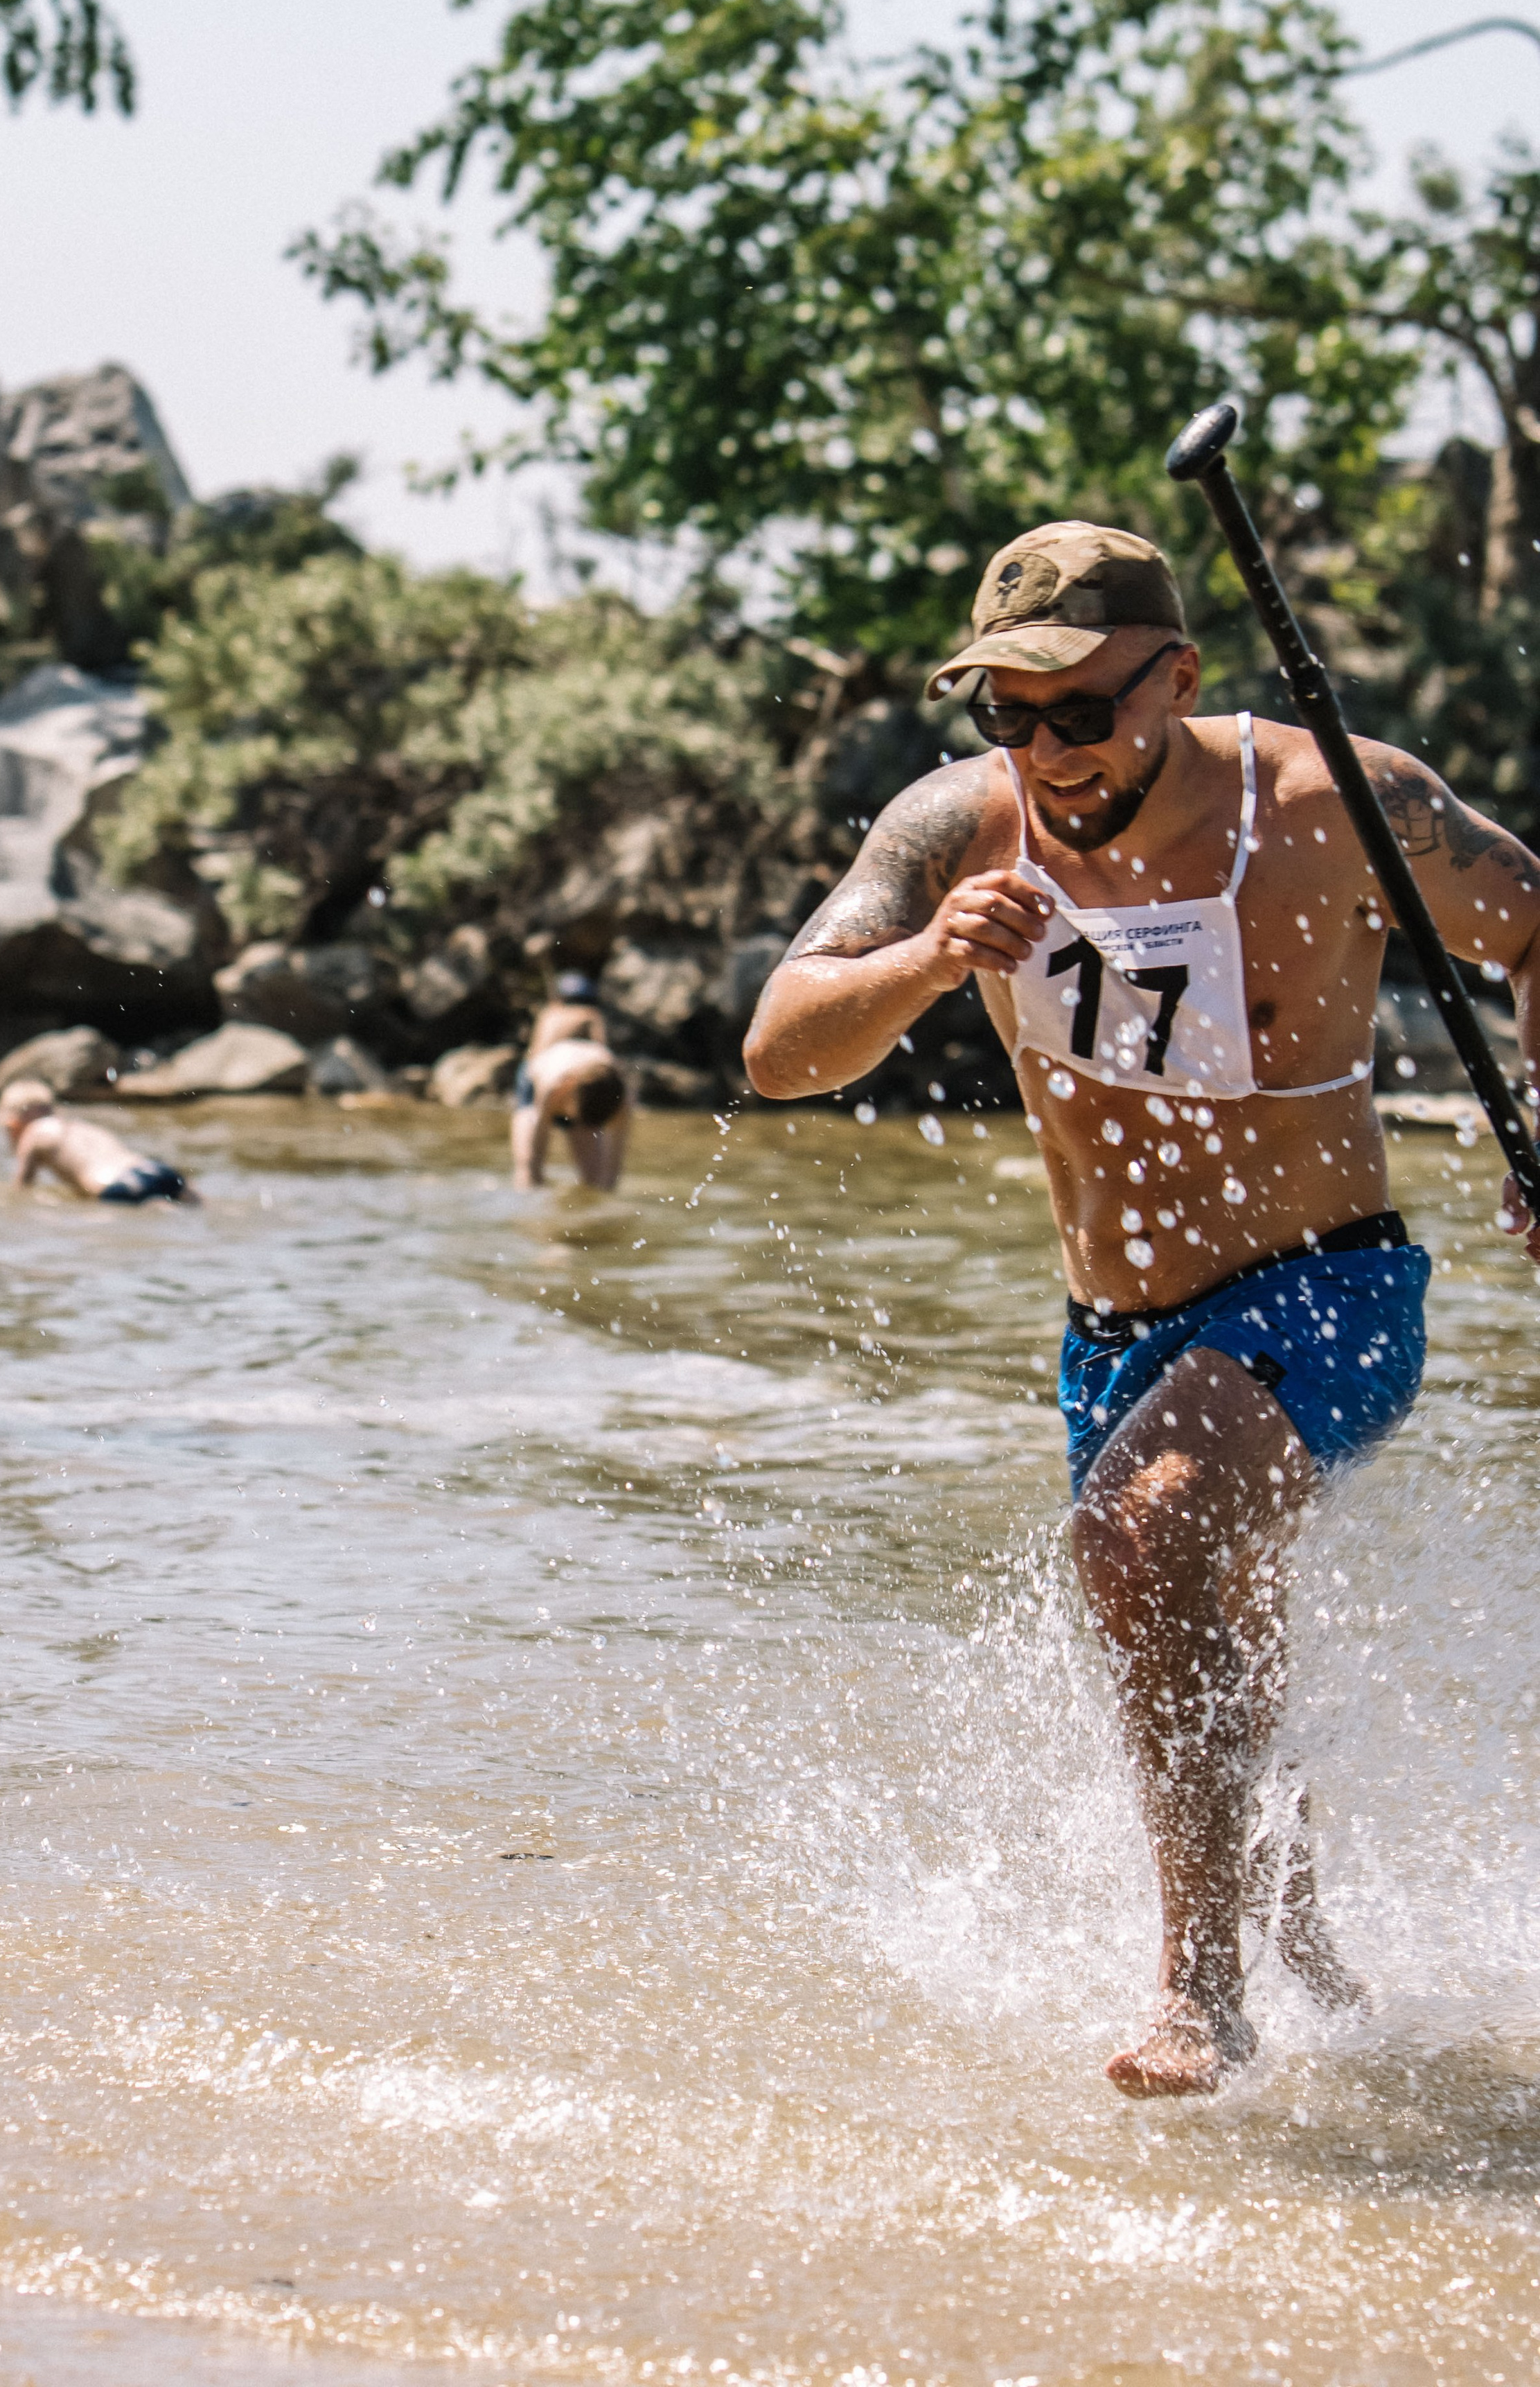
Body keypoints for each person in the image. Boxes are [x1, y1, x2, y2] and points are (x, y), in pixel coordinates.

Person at [744, 520, 1540, 2099]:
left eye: (1080, 710)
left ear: (1171, 679)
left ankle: (1199, 1992)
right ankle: (1324, 1981)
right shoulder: (954, 830)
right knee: (1206, 1638)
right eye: (1007, 717)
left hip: (1330, 1287)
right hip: (1106, 1337)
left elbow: (1532, 917)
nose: (1045, 751)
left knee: (1138, 1534)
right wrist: (919, 959)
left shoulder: (1332, 802)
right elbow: (776, 1049)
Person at [511, 973, 633, 1190]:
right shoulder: (591, 1015)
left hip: (582, 1081)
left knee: (594, 1180)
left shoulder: (550, 1012)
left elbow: (613, 1166)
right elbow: (537, 1151)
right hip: (537, 1079)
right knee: (527, 1166)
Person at [0, 1081, 197, 1204]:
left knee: (156, 1208)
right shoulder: (79, 1126)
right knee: (187, 1203)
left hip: (117, 1187)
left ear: (13, 1125)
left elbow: (21, 1191)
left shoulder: (32, 1135)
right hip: (154, 1169)